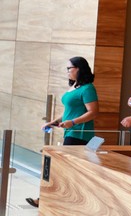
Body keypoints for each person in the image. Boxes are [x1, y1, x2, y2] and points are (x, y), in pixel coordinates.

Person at [28, 57, 99, 208]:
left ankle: (46, 200)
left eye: (69, 68)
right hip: (70, 132)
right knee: (61, 167)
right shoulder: (75, 86)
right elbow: (69, 111)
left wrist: (73, 122)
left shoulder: (88, 88)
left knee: (59, 166)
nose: (67, 71)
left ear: (79, 69)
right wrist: (53, 121)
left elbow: (93, 112)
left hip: (79, 134)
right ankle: (52, 199)